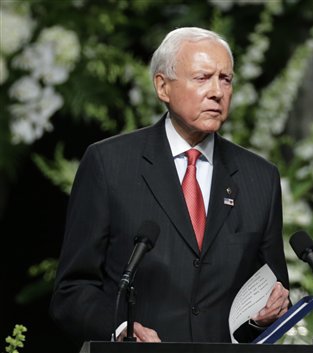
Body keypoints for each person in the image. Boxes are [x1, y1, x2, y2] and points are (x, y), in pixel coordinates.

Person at [50, 27, 290, 344]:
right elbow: (71, 290)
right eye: (203, 78)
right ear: (163, 87)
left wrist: (266, 318)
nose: (217, 91)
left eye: (226, 79)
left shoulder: (260, 178)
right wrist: (121, 328)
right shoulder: (109, 164)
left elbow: (270, 293)